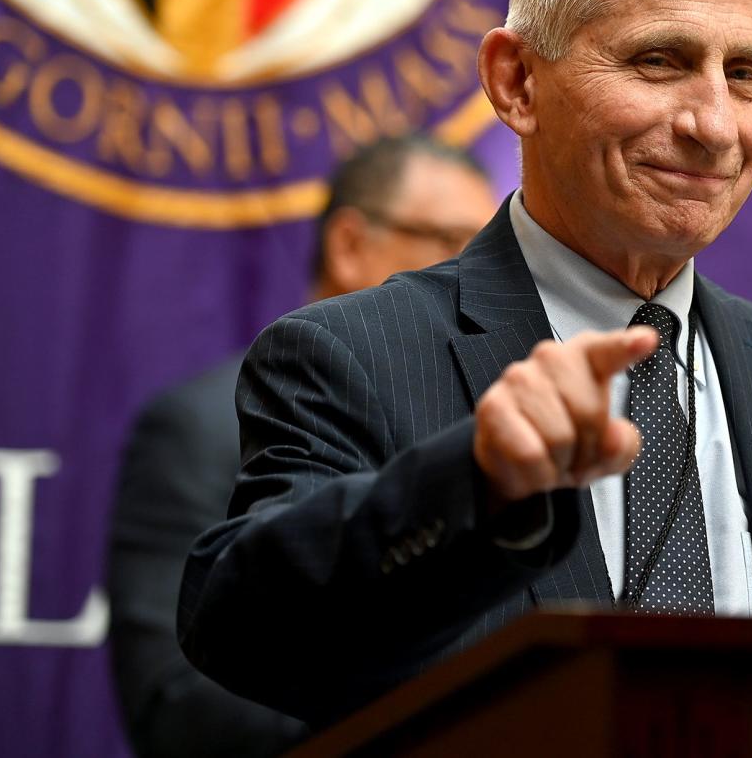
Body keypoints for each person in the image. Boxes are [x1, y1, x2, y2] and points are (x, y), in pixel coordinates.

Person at [179, 0, 752, 731]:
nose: (714, 124)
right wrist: (479, 485)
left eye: (746, 73)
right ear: (516, 81)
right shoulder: (353, 355)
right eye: (659, 61)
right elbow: (242, 631)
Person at [106, 136, 497, 757]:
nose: (471, 283)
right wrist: (423, 732)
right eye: (452, 245)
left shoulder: (483, 430)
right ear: (348, 245)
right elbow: (172, 698)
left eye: (488, 262)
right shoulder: (200, 428)